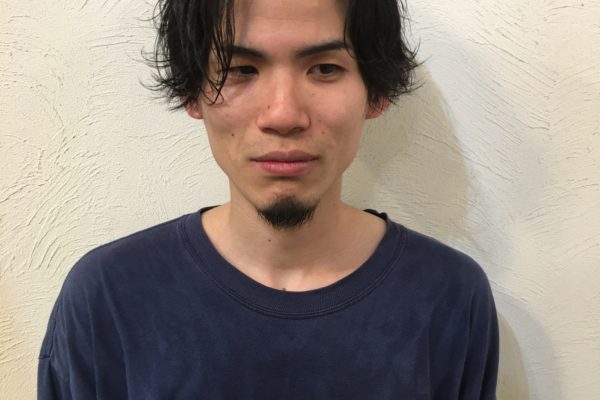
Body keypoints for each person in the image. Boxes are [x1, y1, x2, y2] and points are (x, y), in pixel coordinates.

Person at [38, 0, 499, 398]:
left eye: (325, 69)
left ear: (375, 92)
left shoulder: (448, 296)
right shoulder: (109, 296)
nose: (283, 115)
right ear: (191, 92)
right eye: (241, 69)